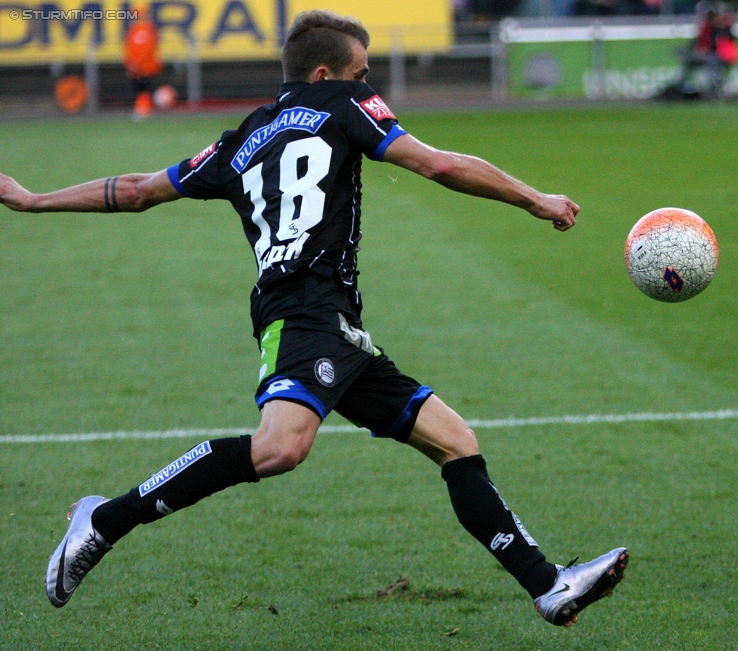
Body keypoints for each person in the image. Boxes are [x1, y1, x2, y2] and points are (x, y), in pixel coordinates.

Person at [0, 10, 627, 627]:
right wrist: (534, 199)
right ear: (326, 73)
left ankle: (548, 587)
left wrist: (33, 200)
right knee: (279, 448)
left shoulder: (240, 138)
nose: (369, 84)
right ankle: (104, 521)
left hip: (333, 326)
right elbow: (436, 163)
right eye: (361, 73)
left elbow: (137, 190)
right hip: (304, 314)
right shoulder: (343, 103)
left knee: (455, 442)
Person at [660, 2, 738, 100]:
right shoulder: (706, 28)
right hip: (707, 56)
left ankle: (714, 90)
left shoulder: (723, 27)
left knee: (713, 64)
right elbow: (696, 43)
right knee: (690, 62)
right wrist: (688, 51)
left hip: (721, 56)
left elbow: (721, 45)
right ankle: (682, 87)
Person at [124, 7, 162, 118]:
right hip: (136, 68)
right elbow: (129, 50)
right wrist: (130, 64)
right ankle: (143, 108)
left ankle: (144, 109)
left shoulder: (147, 30)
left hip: (146, 67)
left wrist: (137, 63)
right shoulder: (133, 31)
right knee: (139, 89)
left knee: (145, 88)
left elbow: (147, 50)